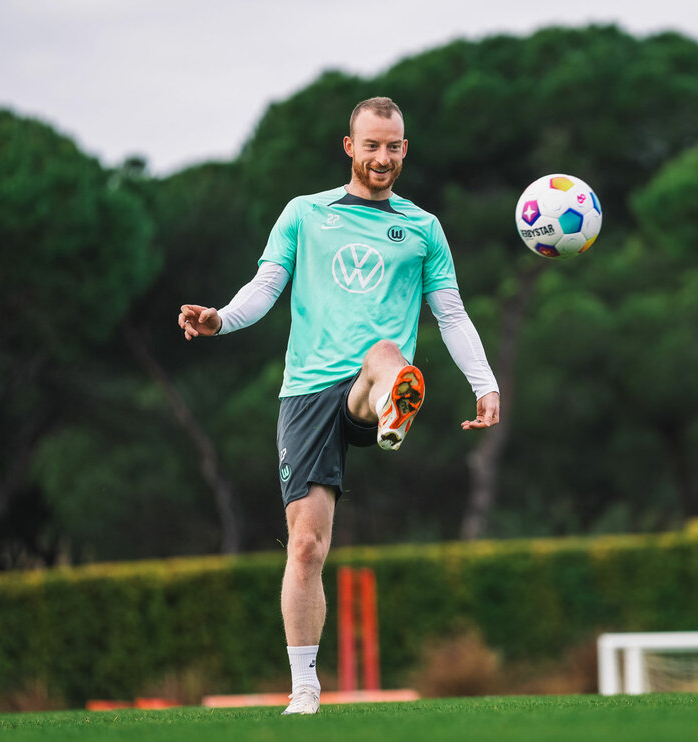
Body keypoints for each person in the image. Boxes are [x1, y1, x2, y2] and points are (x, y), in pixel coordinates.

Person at [177, 97, 500, 715]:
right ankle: (304, 688)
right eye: (372, 145)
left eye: (394, 146)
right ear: (349, 147)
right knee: (306, 547)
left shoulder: (424, 229)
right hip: (306, 393)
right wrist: (219, 318)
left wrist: (483, 385)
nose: (383, 157)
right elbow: (267, 285)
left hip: (366, 378)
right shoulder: (305, 214)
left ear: (406, 150)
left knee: (385, 353)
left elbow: (451, 314)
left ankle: (391, 406)